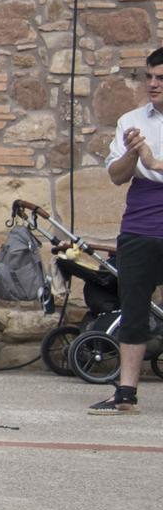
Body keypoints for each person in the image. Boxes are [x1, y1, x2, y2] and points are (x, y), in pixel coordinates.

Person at [96, 46, 163, 415]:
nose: (152, 84)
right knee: (133, 306)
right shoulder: (131, 120)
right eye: (148, 77)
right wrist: (134, 156)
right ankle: (125, 392)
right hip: (140, 223)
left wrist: (154, 161)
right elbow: (117, 176)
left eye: (160, 79)